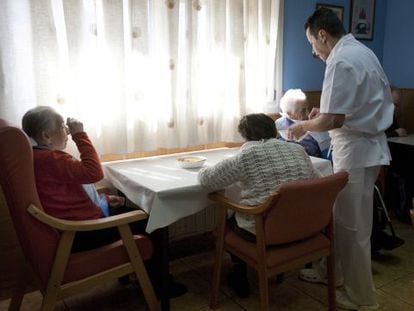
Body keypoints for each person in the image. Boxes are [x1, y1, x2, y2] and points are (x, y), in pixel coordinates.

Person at [287, 8, 394, 310]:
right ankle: (332, 275)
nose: (313, 51)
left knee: (353, 227)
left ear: (323, 35)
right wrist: (323, 114)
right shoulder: (362, 51)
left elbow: (334, 121)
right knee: (345, 220)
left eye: (312, 43)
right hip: (367, 146)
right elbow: (354, 107)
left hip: (356, 149)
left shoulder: (340, 59)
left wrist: (304, 125)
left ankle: (362, 298)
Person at [22, 106, 187, 297]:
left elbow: (67, 194)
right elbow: (94, 173)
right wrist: (80, 135)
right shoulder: (51, 159)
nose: (67, 131)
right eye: (62, 127)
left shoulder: (35, 157)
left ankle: (139, 276)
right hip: (81, 232)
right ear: (46, 136)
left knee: (136, 213)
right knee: (153, 222)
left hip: (74, 227)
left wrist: (104, 199)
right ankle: (160, 286)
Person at [198, 113, 319, 298]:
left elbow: (207, 180)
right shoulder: (297, 150)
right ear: (274, 130)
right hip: (302, 228)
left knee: (230, 219)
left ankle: (239, 276)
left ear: (244, 136)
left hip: (265, 232)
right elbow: (318, 181)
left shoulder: (247, 155)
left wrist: (205, 167)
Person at [276, 88, 331, 158]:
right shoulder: (278, 124)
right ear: (289, 113)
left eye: (307, 108)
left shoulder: (316, 123)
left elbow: (326, 153)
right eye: (303, 111)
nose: (308, 113)